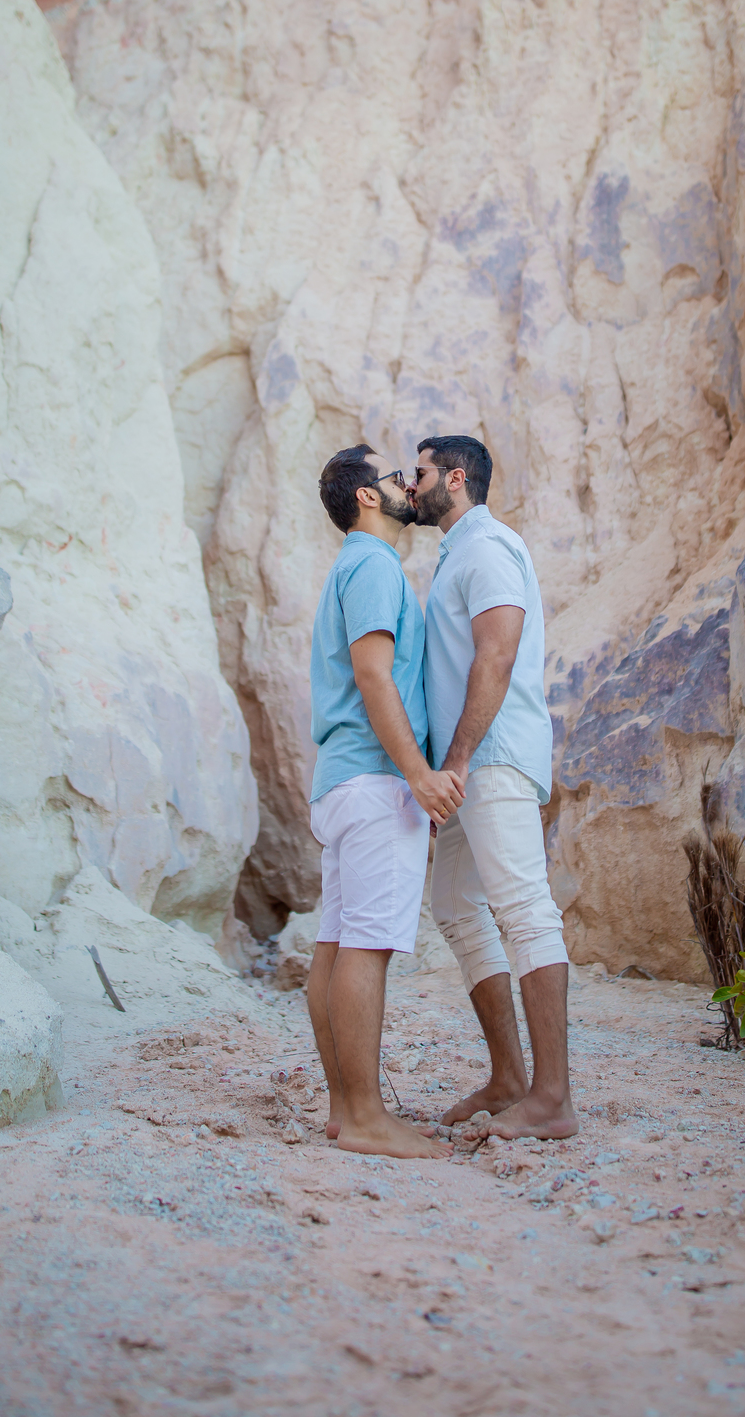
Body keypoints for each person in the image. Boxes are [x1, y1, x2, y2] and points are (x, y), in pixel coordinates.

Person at [410, 434, 578, 1140]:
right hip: (465, 765)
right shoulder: (457, 555)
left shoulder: (487, 546)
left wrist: (457, 760)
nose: (408, 484)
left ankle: (553, 1098)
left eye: (417, 473)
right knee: (452, 901)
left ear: (455, 479)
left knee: (523, 909)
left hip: (490, 757)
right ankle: (510, 1077)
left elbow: (498, 652)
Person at [306, 444, 462, 1159]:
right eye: (395, 477)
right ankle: (367, 1118)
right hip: (374, 780)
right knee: (367, 945)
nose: (407, 486)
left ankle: (346, 1110)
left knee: (337, 946)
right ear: (368, 497)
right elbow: (375, 675)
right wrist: (420, 776)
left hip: (344, 779)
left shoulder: (351, 568)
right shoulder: (372, 565)